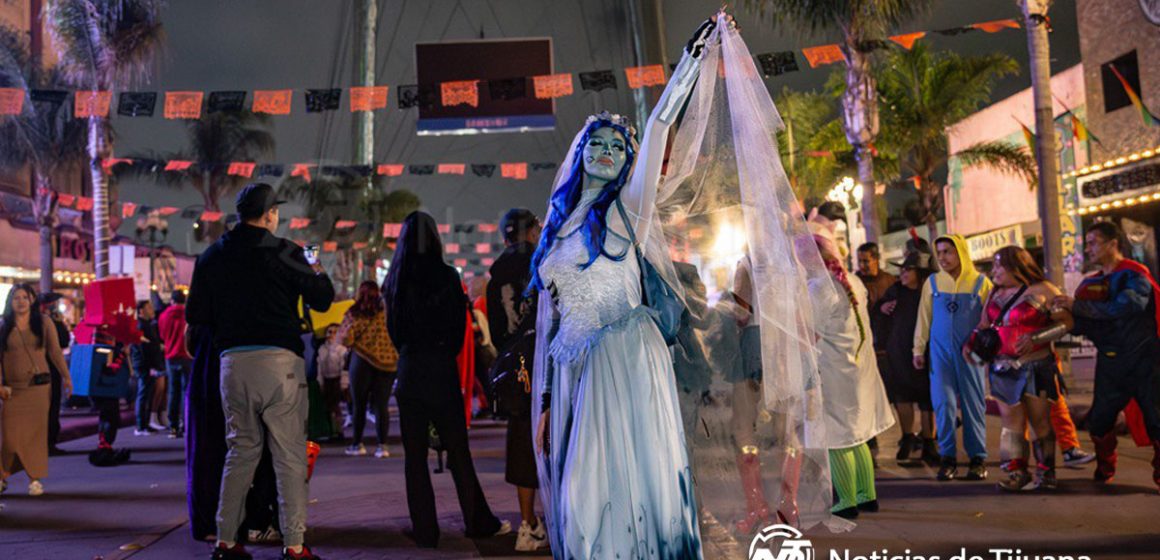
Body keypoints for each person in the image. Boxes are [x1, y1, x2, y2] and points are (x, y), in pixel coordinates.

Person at [186, 182, 335, 560]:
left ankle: (225, 540)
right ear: (270, 214)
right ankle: (294, 545)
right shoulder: (287, 251)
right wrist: (313, 259)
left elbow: (197, 316)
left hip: (232, 364)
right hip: (279, 362)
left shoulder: (211, 256)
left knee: (240, 452)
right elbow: (323, 297)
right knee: (288, 456)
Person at [384, 210, 509, 548]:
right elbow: (458, 330)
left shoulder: (395, 279)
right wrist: (443, 351)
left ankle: (425, 529)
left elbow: (393, 330)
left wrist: (410, 352)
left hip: (410, 370)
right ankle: (476, 520)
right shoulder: (447, 277)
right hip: (441, 368)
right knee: (458, 450)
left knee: (414, 457)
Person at [1053, 221, 1160, 490]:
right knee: (1099, 421)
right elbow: (1086, 323)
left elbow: (1127, 306)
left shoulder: (1135, 275)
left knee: (1157, 420)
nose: (1088, 249)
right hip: (1111, 363)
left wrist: (1078, 306)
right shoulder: (1093, 283)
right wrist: (1062, 314)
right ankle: (1105, 467)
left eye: (1093, 243)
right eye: (1087, 243)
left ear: (1113, 244)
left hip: (1145, 361)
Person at [967, 246, 1073, 491]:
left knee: (1040, 422)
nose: (994, 271)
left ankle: (1046, 474)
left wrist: (1036, 337)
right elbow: (984, 324)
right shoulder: (994, 293)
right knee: (1010, 424)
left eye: (998, 265)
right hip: (1002, 367)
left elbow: (1066, 322)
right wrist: (971, 344)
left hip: (1037, 367)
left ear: (1016, 266)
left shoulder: (1045, 290)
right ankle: (1015, 473)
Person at [810, 223, 895, 519]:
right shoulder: (854, 282)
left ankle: (846, 500)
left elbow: (810, 333)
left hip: (834, 369)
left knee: (837, 436)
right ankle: (866, 494)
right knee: (857, 434)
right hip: (859, 368)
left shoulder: (820, 288)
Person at [486, 207, 547, 552]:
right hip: (549, 364)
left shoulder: (495, 274)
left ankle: (527, 524)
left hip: (515, 369)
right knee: (558, 443)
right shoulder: (545, 260)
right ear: (532, 232)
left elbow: (495, 331)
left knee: (522, 446)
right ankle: (562, 519)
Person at [912, 235, 992, 481]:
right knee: (943, 405)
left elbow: (989, 322)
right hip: (940, 355)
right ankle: (948, 458)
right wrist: (918, 349)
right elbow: (923, 319)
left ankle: (977, 458)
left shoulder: (981, 283)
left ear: (961, 252)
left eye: (948, 251)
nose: (943, 257)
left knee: (973, 405)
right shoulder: (933, 283)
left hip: (972, 355)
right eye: (940, 252)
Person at [0, 284, 73, 496]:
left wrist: (67, 377)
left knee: (35, 435)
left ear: (32, 300)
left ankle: (35, 479)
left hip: (39, 389)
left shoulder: (44, 322)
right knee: (10, 437)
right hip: (13, 390)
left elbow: (55, 352)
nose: (21, 301)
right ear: (10, 302)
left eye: (25, 297)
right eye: (16, 298)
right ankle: (3, 475)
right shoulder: (3, 325)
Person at [879, 249, 938, 464]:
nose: (902, 273)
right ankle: (907, 438)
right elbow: (878, 314)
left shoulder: (930, 293)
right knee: (902, 396)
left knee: (927, 398)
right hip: (899, 352)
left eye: (907, 270)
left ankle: (929, 441)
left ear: (920, 272)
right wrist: (883, 308)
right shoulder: (895, 291)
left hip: (926, 351)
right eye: (902, 270)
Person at [340, 280, 398, 458]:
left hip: (361, 361)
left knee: (359, 404)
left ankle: (358, 444)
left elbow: (346, 339)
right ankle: (383, 447)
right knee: (381, 406)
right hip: (388, 362)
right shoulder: (388, 312)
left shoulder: (355, 312)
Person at [856, 242, 896, 464]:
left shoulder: (889, 281)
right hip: (864, 348)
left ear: (876, 259)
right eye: (859, 260)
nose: (862, 265)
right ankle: (869, 441)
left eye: (865, 260)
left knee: (892, 397)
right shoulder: (853, 281)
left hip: (887, 347)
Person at [40, 293, 71, 455]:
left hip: (52, 367)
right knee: (47, 407)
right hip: (42, 368)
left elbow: (64, 342)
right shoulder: (38, 322)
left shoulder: (54, 320)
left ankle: (50, 442)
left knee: (53, 406)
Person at [159, 290, 192, 438]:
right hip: (186, 356)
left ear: (172, 300)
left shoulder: (164, 315)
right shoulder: (189, 315)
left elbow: (162, 335)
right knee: (187, 392)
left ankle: (173, 426)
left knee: (173, 391)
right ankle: (186, 424)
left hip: (170, 357)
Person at [131, 300, 167, 435]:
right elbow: (144, 348)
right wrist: (157, 349)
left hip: (148, 363)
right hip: (144, 364)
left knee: (148, 393)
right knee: (144, 393)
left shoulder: (148, 324)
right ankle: (141, 426)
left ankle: (145, 424)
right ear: (141, 311)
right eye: (149, 307)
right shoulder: (141, 325)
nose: (152, 310)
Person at [317, 324, 347, 441]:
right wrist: (320, 382)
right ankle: (331, 430)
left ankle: (339, 430)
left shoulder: (341, 349)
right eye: (329, 332)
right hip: (327, 380)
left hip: (337, 379)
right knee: (328, 407)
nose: (331, 335)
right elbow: (319, 366)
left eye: (335, 332)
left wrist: (343, 383)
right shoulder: (322, 349)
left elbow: (343, 367)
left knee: (336, 407)